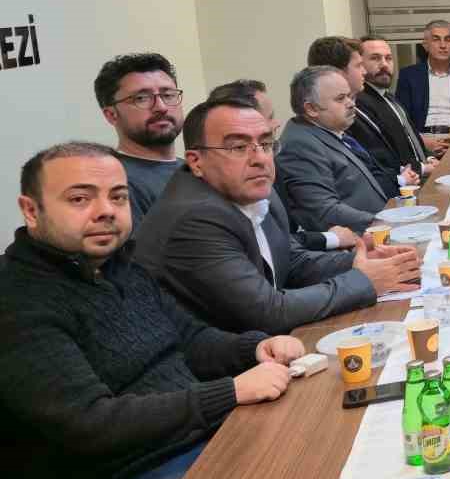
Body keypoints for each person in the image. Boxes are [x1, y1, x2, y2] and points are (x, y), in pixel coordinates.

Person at [0, 141, 305, 479]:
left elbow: (191, 340)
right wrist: (229, 393)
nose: (106, 211)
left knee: (308, 441)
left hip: (186, 443)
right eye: (79, 199)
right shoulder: (17, 299)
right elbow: (91, 423)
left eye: (118, 196)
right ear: (31, 210)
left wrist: (255, 347)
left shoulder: (123, 265)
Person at [135, 98, 420, 334]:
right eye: (238, 147)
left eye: (266, 144)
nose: (260, 158)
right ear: (196, 162)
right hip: (222, 367)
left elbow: (289, 261)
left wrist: (360, 261)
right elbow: (266, 311)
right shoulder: (195, 217)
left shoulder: (258, 190)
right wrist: (363, 280)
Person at [205, 80, 360, 253]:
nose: (276, 123)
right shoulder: (217, 204)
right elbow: (280, 243)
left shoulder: (270, 160)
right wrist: (332, 239)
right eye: (269, 117)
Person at [276, 67, 408, 233]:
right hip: (359, 239)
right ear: (311, 109)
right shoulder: (299, 146)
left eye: (350, 96)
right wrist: (384, 222)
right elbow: (324, 211)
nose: (351, 104)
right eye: (340, 99)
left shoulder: (331, 130)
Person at [93, 53, 185, 227]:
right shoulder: (117, 181)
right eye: (141, 98)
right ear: (111, 115)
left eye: (168, 95)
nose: (161, 107)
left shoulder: (195, 169)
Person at [306, 36, 408, 187]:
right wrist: (401, 180)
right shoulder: (310, 142)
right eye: (359, 65)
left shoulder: (341, 121)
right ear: (338, 73)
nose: (364, 71)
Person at [355, 36, 434, 175]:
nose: (384, 64)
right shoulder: (360, 102)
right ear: (359, 64)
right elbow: (383, 155)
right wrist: (422, 168)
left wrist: (429, 158)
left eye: (388, 58)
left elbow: (410, 139)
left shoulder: (389, 97)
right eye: (375, 58)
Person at [395, 20, 450, 150]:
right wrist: (420, 141)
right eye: (436, 40)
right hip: (423, 138)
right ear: (425, 45)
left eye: (448, 40)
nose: (443, 45)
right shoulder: (409, 76)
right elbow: (402, 117)